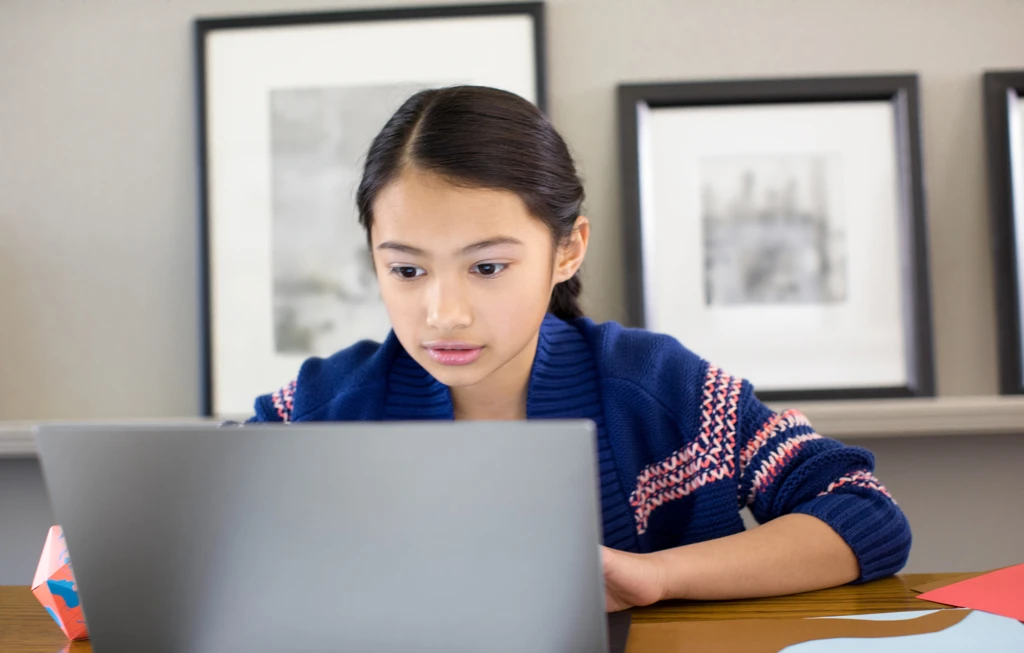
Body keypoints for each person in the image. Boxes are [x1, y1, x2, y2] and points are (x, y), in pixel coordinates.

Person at [250, 85, 911, 612]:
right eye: (406, 269)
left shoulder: (659, 385)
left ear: (567, 250)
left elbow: (865, 512)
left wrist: (658, 576)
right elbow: (208, 540)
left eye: (487, 267)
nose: (443, 313)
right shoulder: (316, 409)